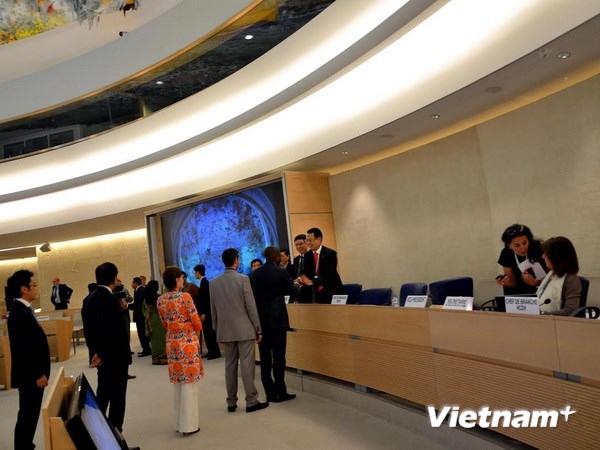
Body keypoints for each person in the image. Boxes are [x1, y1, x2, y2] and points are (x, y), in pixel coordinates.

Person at [210, 248, 268, 413]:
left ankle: (231, 402)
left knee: (230, 365)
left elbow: (213, 310)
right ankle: (251, 401)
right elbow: (251, 307)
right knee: (247, 366)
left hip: (225, 330)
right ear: (236, 260)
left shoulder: (214, 283)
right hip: (244, 330)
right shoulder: (243, 279)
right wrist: (258, 329)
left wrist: (217, 328)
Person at [83, 262, 133, 433]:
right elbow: (113, 332)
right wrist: (102, 354)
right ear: (114, 278)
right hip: (115, 356)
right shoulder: (110, 299)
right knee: (118, 397)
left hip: (102, 356)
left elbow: (89, 330)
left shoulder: (90, 299)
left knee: (103, 392)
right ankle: (115, 432)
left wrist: (95, 354)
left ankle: (99, 430)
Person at [157, 266, 203, 437]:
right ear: (176, 280)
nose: (183, 280)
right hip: (187, 343)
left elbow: (164, 323)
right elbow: (196, 322)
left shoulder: (160, 300)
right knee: (189, 386)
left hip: (172, 344)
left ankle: (178, 423)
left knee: (178, 384)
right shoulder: (185, 297)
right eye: (182, 278)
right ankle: (189, 425)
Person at [7, 270, 50, 450]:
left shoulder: (25, 309)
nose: (36, 288)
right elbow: (24, 348)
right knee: (27, 414)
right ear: (24, 289)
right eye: (33, 285)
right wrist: (38, 373)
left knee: (30, 414)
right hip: (30, 376)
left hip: (32, 374)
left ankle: (25, 444)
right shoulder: (18, 313)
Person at [249, 246, 297, 403]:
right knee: (279, 358)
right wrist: (297, 284)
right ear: (276, 257)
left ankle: (269, 394)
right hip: (278, 322)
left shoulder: (254, 275)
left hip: (262, 322)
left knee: (265, 360)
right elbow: (292, 292)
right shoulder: (281, 272)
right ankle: (281, 392)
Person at [496, 224, 547, 295]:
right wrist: (506, 282)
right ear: (509, 245)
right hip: (517, 290)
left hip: (541, 289)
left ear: (529, 240)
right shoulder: (506, 253)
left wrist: (535, 283)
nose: (523, 248)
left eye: (525, 242)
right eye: (517, 245)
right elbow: (513, 282)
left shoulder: (539, 248)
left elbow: (551, 276)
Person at [537, 236, 582, 316]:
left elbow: (571, 310)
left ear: (556, 257)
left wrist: (545, 315)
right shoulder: (551, 275)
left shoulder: (572, 280)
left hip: (555, 322)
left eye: (546, 254)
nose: (543, 256)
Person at [299, 227, 345, 303]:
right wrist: (302, 278)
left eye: (310, 240)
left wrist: (312, 281)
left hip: (331, 290)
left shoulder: (330, 253)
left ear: (319, 239)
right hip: (316, 292)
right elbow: (306, 272)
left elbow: (330, 274)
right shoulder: (307, 255)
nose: (308, 243)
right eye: (307, 241)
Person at [194, 264, 221, 360]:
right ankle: (211, 351)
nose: (194, 274)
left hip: (207, 313)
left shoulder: (205, 283)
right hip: (206, 312)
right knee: (207, 332)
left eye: (195, 272)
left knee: (210, 333)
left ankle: (215, 352)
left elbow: (206, 300)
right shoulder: (203, 282)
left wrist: (204, 313)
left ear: (197, 272)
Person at [144, 280, 167, 365]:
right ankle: (163, 358)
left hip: (150, 320)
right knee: (161, 339)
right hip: (159, 319)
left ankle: (155, 358)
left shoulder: (146, 298)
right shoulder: (158, 297)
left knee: (154, 340)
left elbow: (144, 310)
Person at [131, 277, 151, 357]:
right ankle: (145, 349)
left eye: (132, 282)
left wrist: (128, 306)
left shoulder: (140, 290)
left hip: (140, 316)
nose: (131, 284)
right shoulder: (138, 290)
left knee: (142, 333)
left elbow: (138, 305)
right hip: (140, 315)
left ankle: (146, 349)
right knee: (141, 333)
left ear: (136, 283)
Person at [292, 234, 311, 303]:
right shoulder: (296, 259)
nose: (299, 246)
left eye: (301, 244)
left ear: (307, 243)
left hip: (311, 291)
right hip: (300, 293)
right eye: (296, 245)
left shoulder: (313, 256)